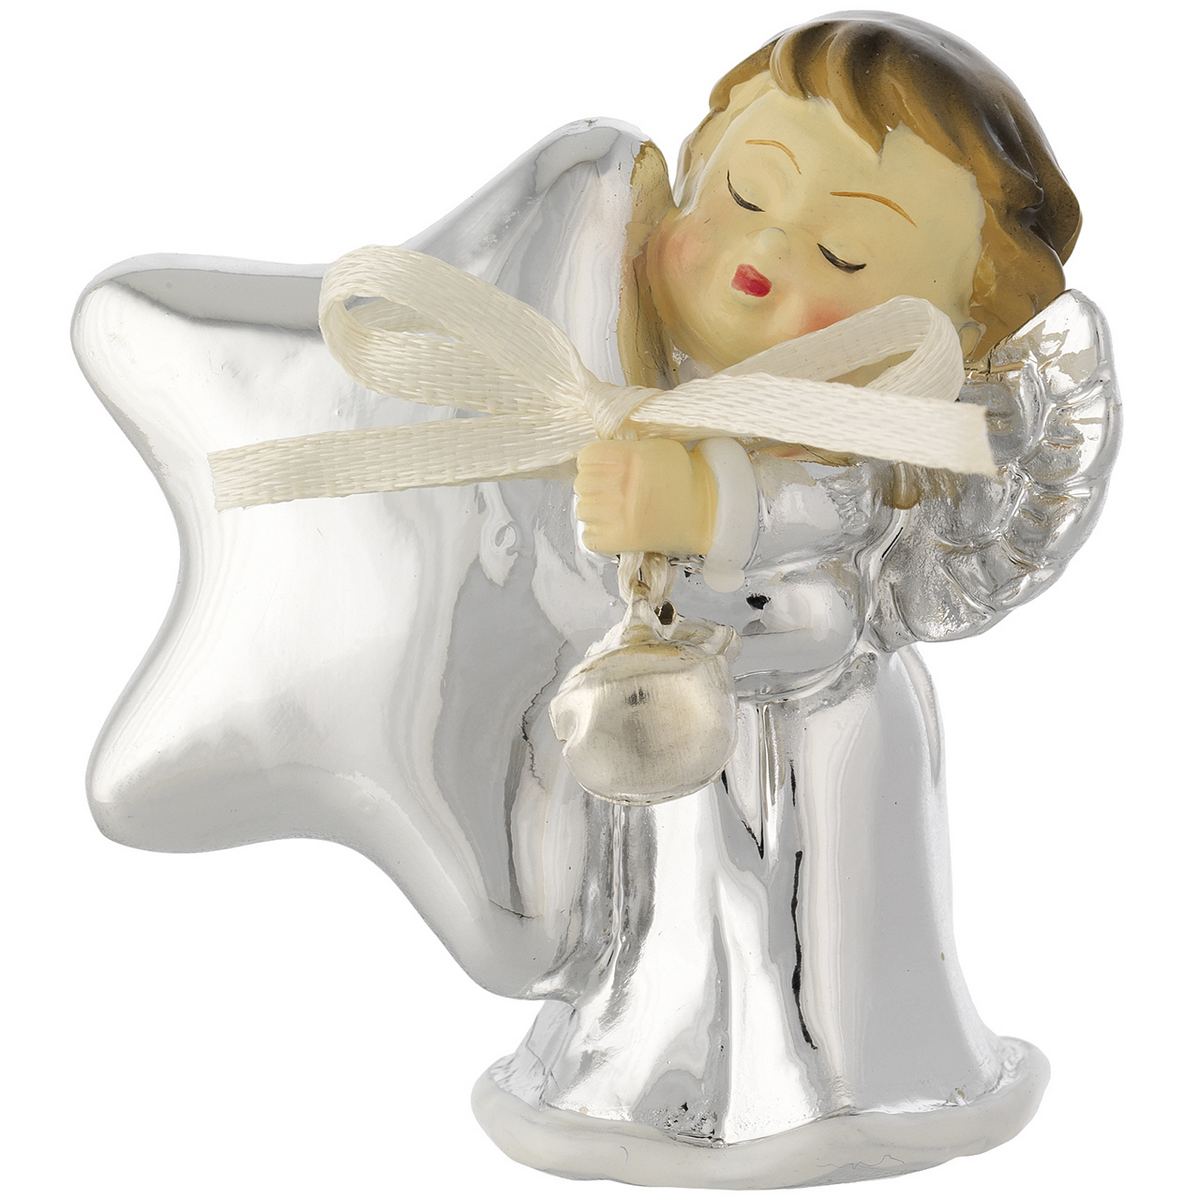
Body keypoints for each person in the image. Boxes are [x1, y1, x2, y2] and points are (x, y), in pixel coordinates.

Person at [72, 12, 1119, 1188]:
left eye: (845, 259)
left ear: (950, 337)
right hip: (666, 756)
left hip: (814, 759)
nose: (767, 250)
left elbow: (821, 618)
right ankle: (637, 1077)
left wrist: (699, 508)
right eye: (746, 192)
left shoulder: (850, 461)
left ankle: (839, 1088)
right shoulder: (623, 374)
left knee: (791, 940)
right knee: (673, 940)